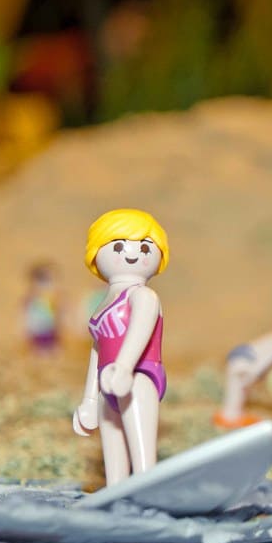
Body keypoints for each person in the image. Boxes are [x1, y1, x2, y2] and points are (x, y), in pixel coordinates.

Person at [72, 208, 169, 486]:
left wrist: (125, 367)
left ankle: (147, 485)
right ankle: (115, 490)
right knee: (114, 457)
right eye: (118, 246)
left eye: (145, 247)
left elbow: (141, 329)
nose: (132, 253)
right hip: (108, 382)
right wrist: (90, 400)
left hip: (138, 376)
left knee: (142, 455)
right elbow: (97, 351)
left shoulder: (143, 295)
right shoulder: (103, 305)